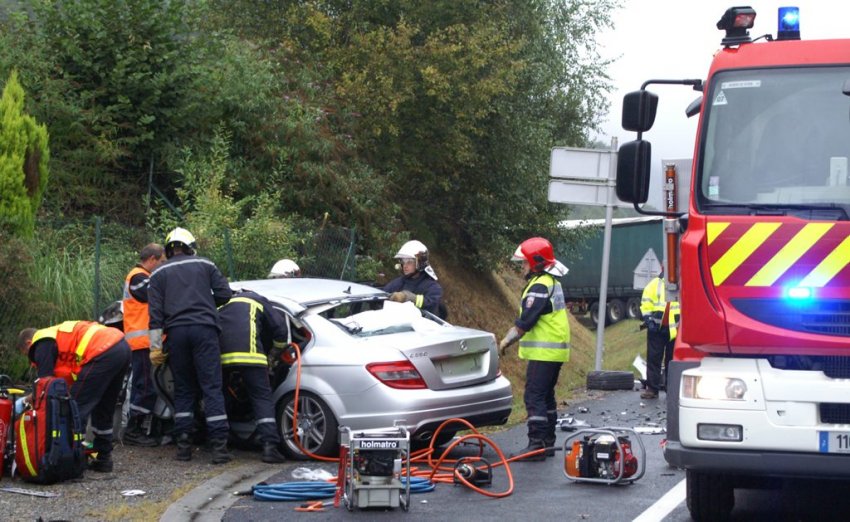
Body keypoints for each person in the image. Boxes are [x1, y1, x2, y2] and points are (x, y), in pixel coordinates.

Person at [147, 227, 233, 463]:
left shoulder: (157, 274)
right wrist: (206, 303)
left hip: (176, 334)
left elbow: (154, 315)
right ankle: (219, 449)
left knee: (183, 389)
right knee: (211, 387)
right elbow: (225, 294)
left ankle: (183, 445)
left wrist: (155, 348)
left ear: (169, 249)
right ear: (190, 246)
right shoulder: (206, 265)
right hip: (205, 331)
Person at [17, 321, 131, 473]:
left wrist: (24, 401)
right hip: (121, 347)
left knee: (74, 410)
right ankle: (103, 459)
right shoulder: (58, 338)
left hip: (101, 350)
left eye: (28, 355)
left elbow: (45, 385)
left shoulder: (40, 341)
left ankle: (70, 461)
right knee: (104, 407)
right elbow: (62, 384)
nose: (33, 361)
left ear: (28, 343)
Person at [499, 237, 570, 461]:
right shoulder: (551, 282)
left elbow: (526, 321)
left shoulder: (540, 285)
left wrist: (506, 341)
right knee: (546, 396)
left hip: (544, 351)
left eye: (524, 262)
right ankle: (547, 442)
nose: (522, 267)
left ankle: (536, 444)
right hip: (554, 350)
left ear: (536, 262)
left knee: (534, 395)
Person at [218, 290, 289, 463]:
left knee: (220, 396)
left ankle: (220, 443)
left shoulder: (221, 304)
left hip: (222, 358)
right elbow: (280, 329)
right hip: (251, 356)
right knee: (261, 397)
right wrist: (275, 353)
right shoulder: (257, 300)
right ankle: (269, 447)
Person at [122, 243, 165, 447]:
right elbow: (157, 295)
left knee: (148, 386)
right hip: (142, 343)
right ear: (153, 260)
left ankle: (139, 429)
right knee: (145, 387)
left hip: (146, 342)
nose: (162, 266)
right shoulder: (139, 277)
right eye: (162, 262)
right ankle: (133, 431)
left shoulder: (140, 277)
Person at [639, 268, 680, 400]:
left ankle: (671, 389)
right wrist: (648, 320)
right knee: (653, 358)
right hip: (656, 328)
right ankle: (652, 389)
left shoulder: (682, 285)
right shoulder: (654, 285)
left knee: (672, 361)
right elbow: (645, 305)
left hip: (674, 330)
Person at [383, 240, 444, 317]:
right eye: (403, 261)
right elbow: (382, 294)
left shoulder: (433, 287)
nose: (405, 265)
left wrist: (409, 298)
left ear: (420, 263)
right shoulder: (398, 282)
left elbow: (430, 303)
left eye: (409, 261)